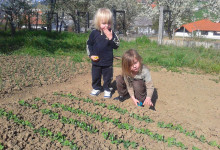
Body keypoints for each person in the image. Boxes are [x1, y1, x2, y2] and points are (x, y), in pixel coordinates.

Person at [87, 8, 120, 98]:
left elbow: (116, 46)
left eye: (109, 23)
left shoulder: (112, 33)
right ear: (98, 23)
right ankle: (96, 88)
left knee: (107, 76)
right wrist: (91, 55)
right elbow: (89, 44)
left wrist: (110, 38)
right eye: (104, 23)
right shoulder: (94, 33)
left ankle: (107, 88)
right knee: (95, 75)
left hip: (107, 61)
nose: (106, 26)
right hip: (96, 61)